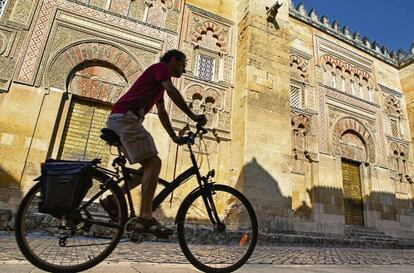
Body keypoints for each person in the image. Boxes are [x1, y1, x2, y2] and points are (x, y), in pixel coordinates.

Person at [101, 49, 207, 236]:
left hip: (121, 119)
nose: (184, 70)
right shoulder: (160, 69)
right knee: (155, 163)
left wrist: (174, 137)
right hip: (126, 118)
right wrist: (194, 116)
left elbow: (163, 113)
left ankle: (113, 200)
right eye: (183, 64)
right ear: (174, 61)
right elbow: (172, 91)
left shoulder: (157, 86)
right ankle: (146, 217)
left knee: (146, 168)